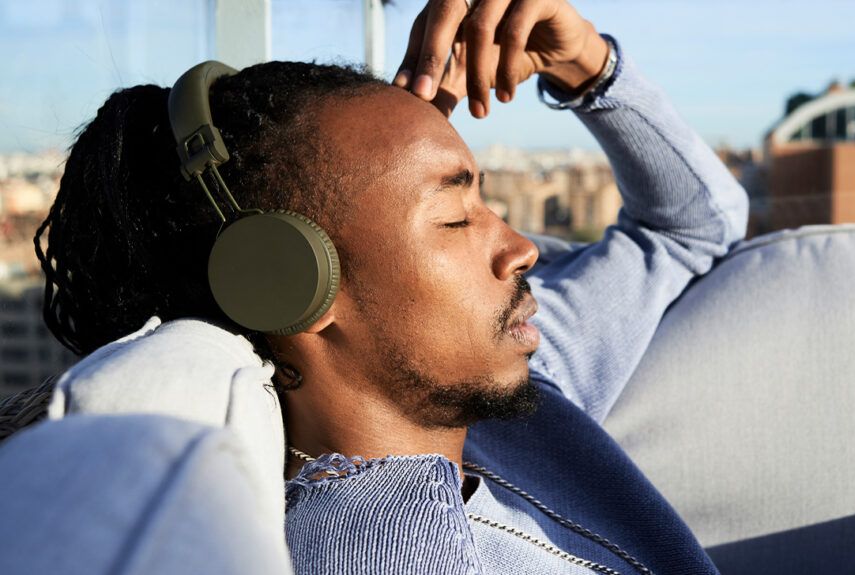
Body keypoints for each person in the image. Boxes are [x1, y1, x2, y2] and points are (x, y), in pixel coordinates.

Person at [31, 0, 748, 572]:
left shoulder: (494, 395)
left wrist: (588, 68)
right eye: (454, 218)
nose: (520, 249)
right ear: (287, 285)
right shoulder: (378, 552)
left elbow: (693, 227)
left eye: (484, 203)